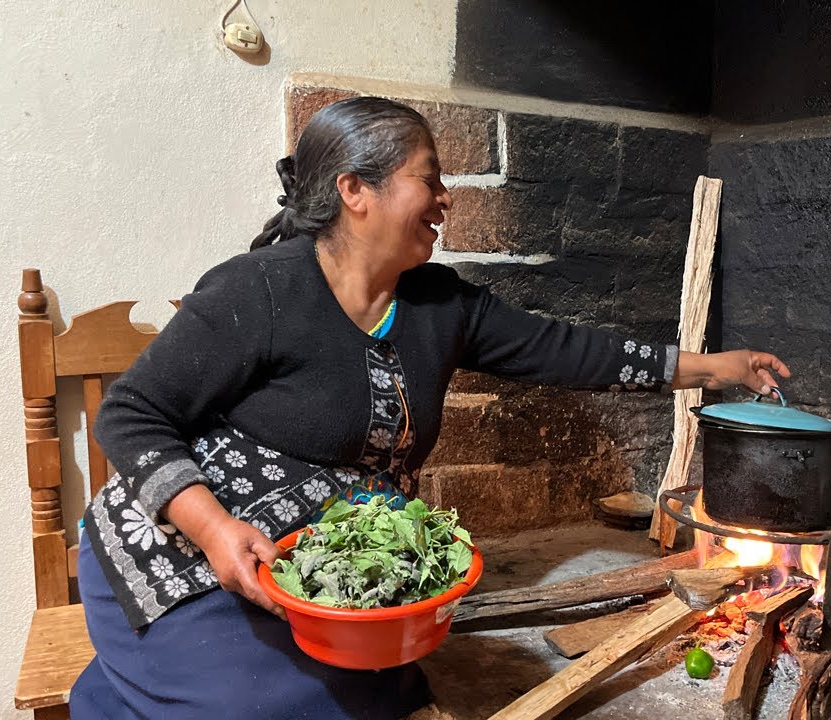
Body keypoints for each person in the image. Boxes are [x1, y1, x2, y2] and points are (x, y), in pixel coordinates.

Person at [69, 96, 791, 719]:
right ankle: (115, 686)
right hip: (184, 550)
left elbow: (570, 351)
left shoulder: (441, 305)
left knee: (375, 692)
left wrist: (713, 367)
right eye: (429, 178)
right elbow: (130, 414)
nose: (446, 199)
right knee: (267, 705)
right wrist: (214, 528)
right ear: (356, 190)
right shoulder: (259, 289)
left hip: (313, 573)